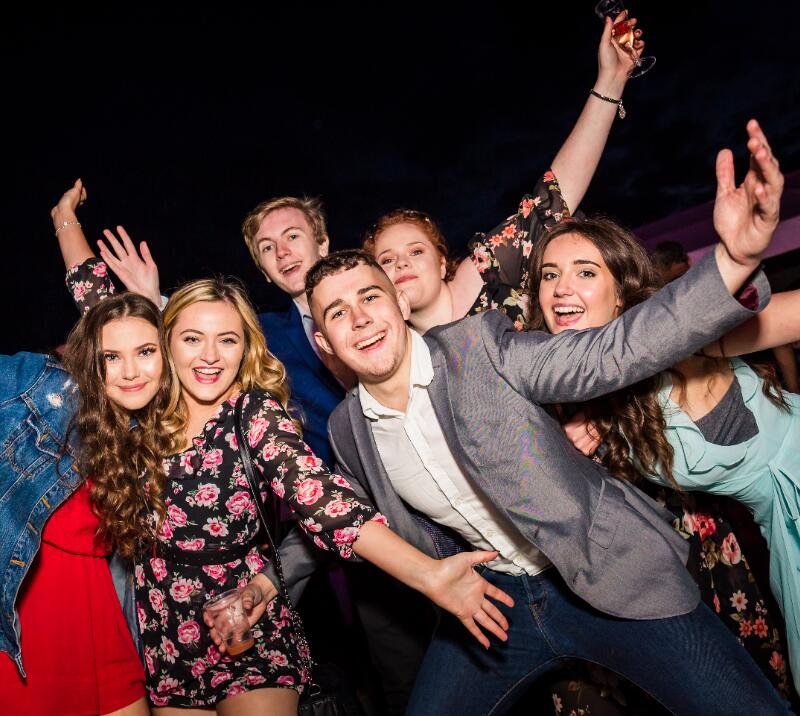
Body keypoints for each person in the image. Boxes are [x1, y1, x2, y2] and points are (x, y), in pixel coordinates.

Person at [290, 119, 791, 714]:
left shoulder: (481, 346)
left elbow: (614, 351)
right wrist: (268, 583)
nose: (362, 319)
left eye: (371, 297)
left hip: (603, 576)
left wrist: (731, 263)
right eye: (339, 313)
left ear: (399, 300)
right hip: (493, 603)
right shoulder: (349, 430)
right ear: (323, 342)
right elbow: (332, 512)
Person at [64, 231, 514, 713]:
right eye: (192, 339)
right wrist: (65, 222)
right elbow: (99, 314)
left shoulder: (252, 413)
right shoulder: (141, 410)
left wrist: (427, 575)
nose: (210, 356)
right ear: (166, 344)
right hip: (167, 637)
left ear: (245, 350)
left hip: (249, 627)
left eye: (227, 340)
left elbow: (324, 501)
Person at [531, 137, 800, 696]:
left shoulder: (675, 337)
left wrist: (740, 259)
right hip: (783, 528)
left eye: (585, 272)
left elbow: (784, 316)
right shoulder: (572, 404)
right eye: (549, 275)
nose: (561, 288)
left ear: (621, 290)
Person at [363, 11, 644, 334]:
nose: (401, 264)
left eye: (415, 251)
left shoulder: (486, 271)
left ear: (442, 264)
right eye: (386, 260)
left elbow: (554, 195)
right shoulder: (395, 352)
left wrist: (611, 79)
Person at [0, 290, 167, 715]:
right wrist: (62, 220)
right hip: (30, 605)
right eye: (111, 357)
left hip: (101, 603)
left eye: (146, 352)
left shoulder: (156, 426)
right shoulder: (53, 388)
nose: (130, 371)